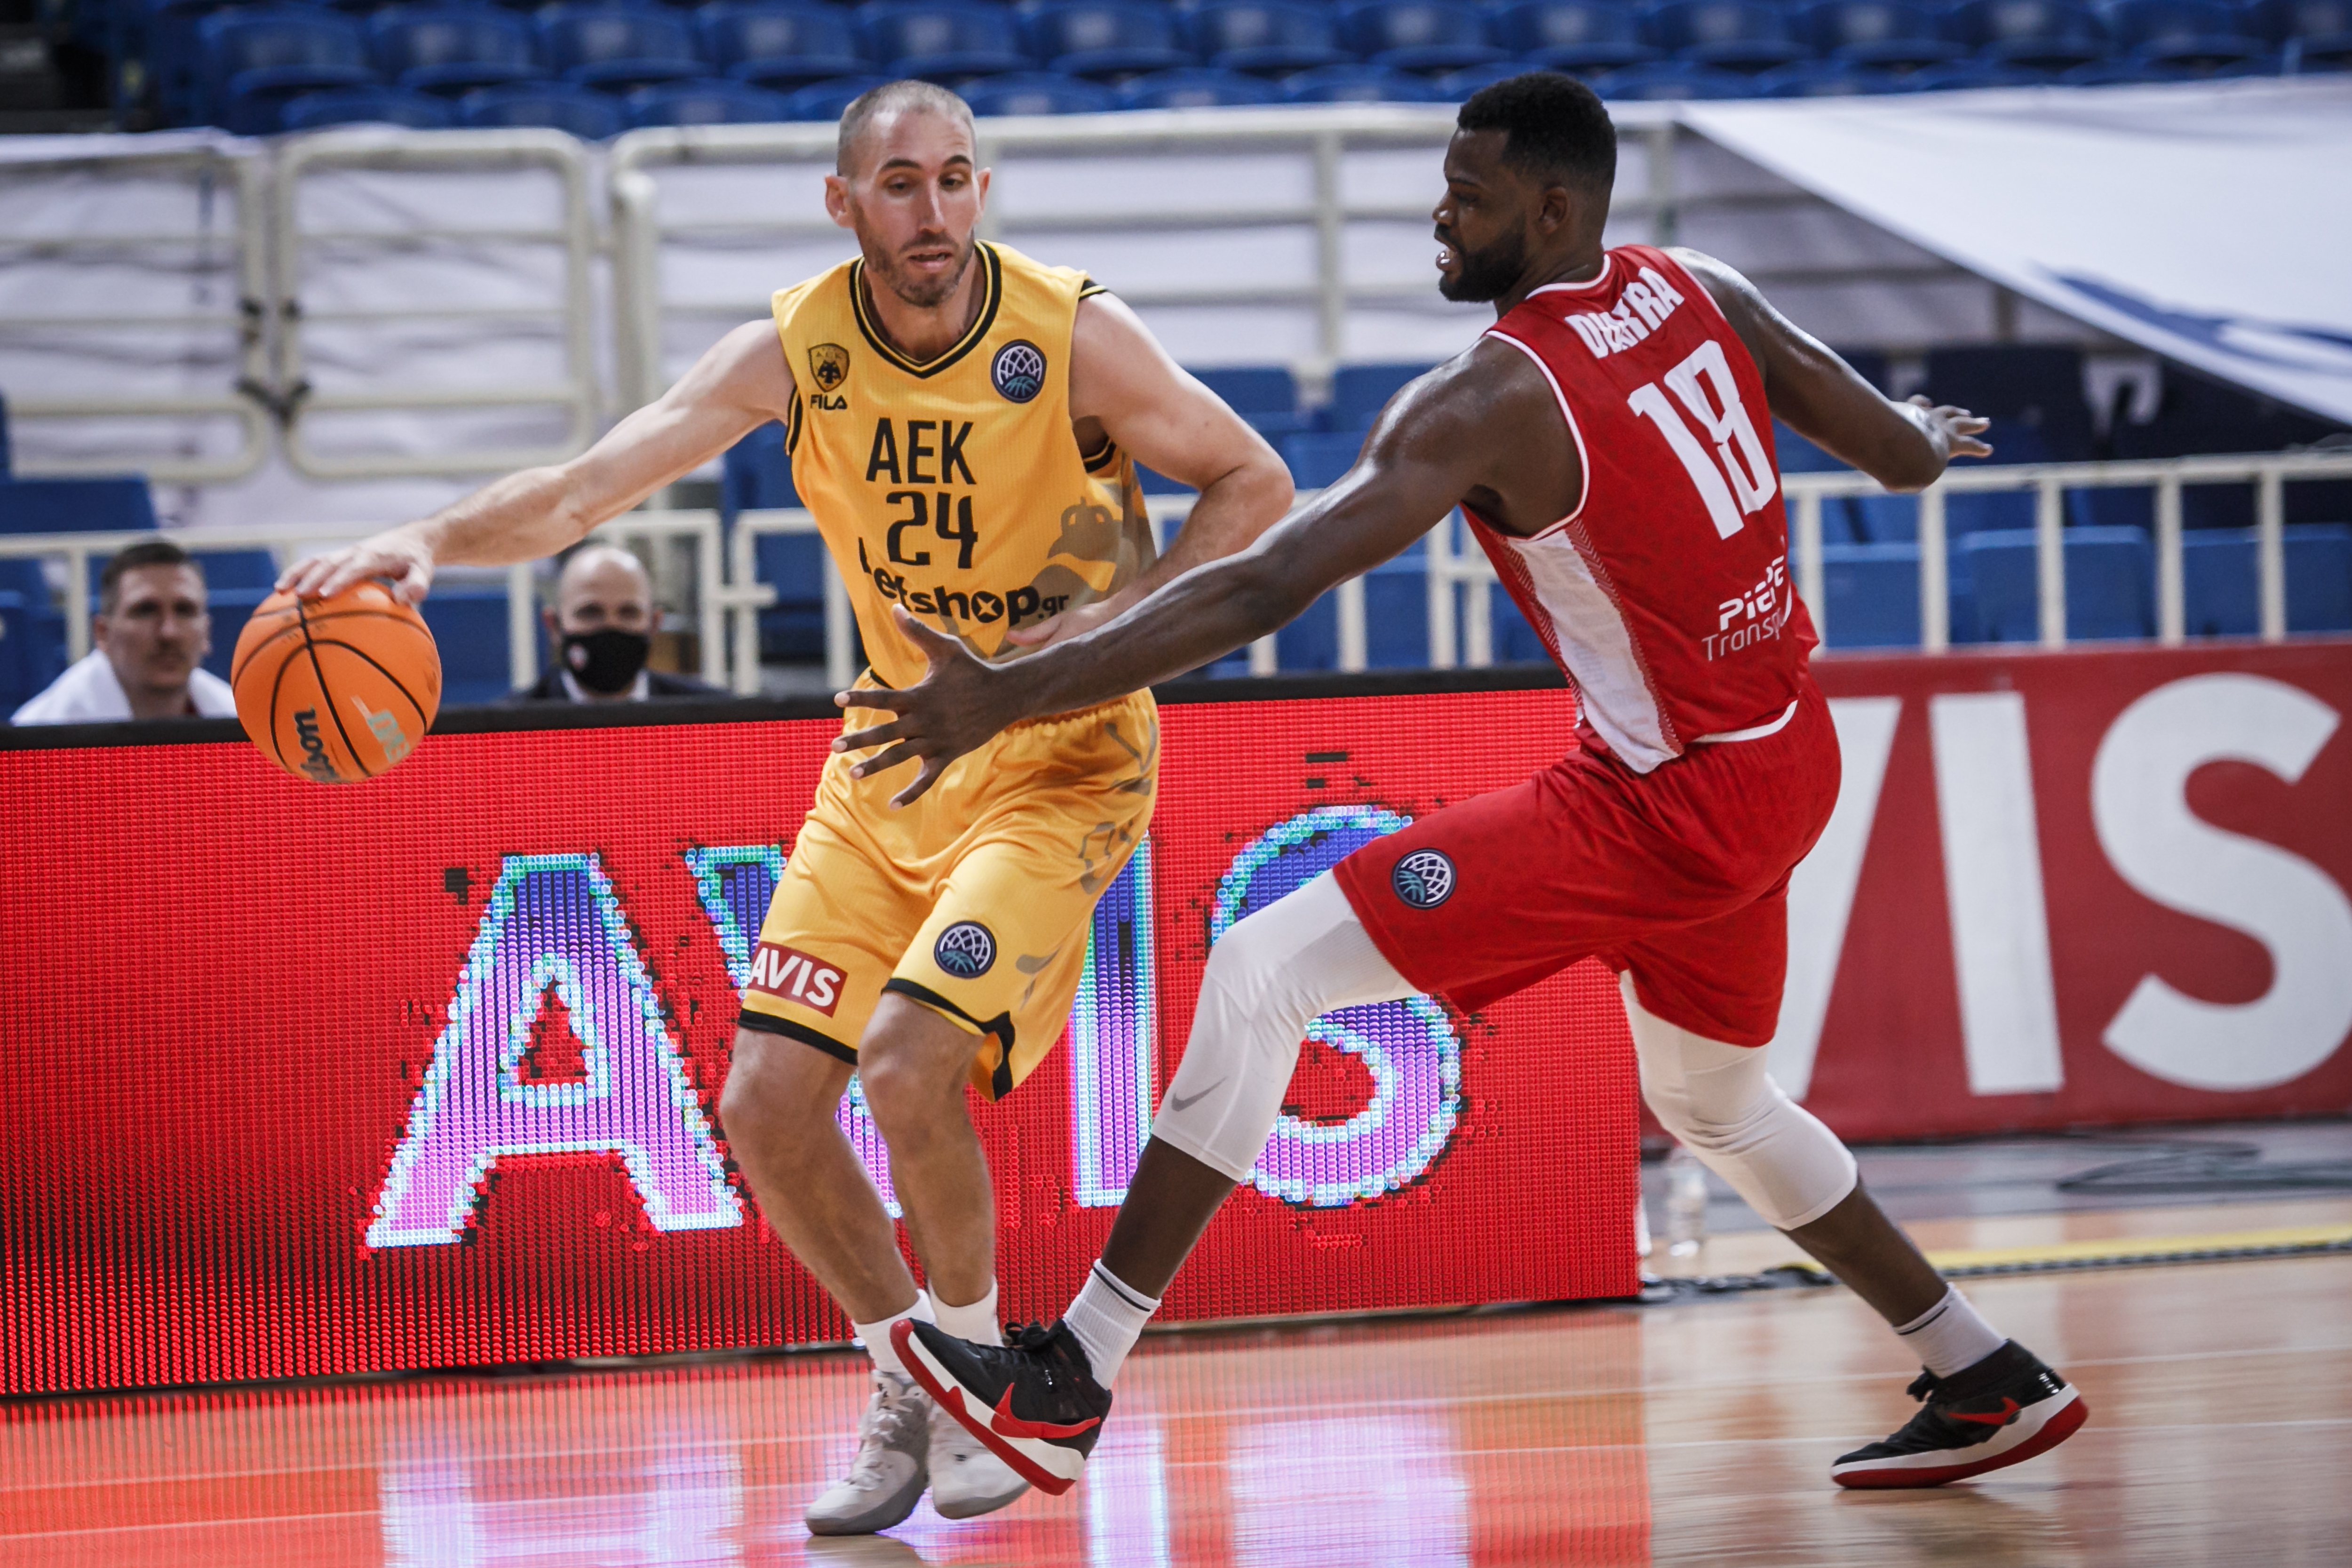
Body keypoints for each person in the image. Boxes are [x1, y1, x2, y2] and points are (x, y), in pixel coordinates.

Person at [836, 73, 2090, 1497]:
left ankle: (1071, 1377)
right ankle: (1983, 1369)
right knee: (1722, 1106)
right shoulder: (1699, 286)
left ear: (1551, 211)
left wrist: (1006, 689)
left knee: (1259, 972)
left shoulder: (1496, 392)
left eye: (1469, 194)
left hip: (1661, 802)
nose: (1438, 213)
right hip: (1783, 756)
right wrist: (1922, 431)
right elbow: (1890, 452)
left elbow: (1269, 578)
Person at [279, 80, 1293, 1535]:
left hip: (1063, 760)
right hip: (890, 760)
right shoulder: (794, 350)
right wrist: (424, 538)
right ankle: (915, 1376)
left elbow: (1253, 480)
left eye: (955, 180)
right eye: (900, 185)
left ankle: (975, 1365)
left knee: (901, 1062)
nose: (933, 212)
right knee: (764, 1104)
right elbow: (582, 490)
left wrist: (1090, 640)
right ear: (844, 204)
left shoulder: (1070, 334)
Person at [12, 540, 236, 724]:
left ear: (206, 632)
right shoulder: (37, 741)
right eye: (145, 611)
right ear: (103, 633)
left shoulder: (241, 724)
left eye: (185, 611)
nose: (169, 633)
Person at [509, 541, 727, 702]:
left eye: (629, 613)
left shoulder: (710, 721)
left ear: (654, 624)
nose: (611, 626)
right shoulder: (507, 731)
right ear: (554, 625)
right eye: (590, 612)